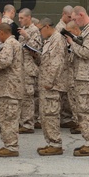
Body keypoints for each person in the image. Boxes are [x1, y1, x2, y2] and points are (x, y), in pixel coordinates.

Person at [64, 6, 89, 156]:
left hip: (88, 76)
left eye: (74, 19)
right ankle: (88, 141)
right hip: (82, 75)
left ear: (81, 15)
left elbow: (87, 52)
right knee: (83, 110)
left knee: (87, 111)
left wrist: (72, 43)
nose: (74, 22)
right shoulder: (86, 30)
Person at [0, 22, 23, 157]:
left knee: (9, 118)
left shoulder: (9, 44)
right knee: (7, 117)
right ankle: (8, 145)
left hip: (9, 88)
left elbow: (4, 62)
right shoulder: (12, 43)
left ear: (2, 32)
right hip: (8, 88)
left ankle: (11, 147)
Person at [36, 18, 67, 156]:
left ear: (47, 26)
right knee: (46, 115)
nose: (39, 32)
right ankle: (50, 142)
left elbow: (56, 63)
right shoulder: (49, 40)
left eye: (40, 29)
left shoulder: (57, 40)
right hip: (46, 84)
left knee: (51, 114)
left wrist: (49, 82)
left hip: (52, 85)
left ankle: (55, 144)